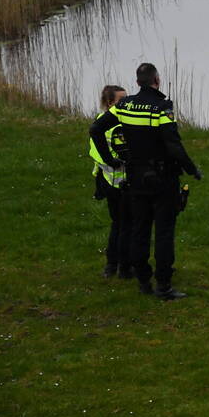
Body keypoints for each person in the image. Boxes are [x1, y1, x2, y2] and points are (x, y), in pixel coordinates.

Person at [89, 63, 202, 300]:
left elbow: (96, 129)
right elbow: (172, 143)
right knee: (163, 232)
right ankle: (163, 285)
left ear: (138, 82)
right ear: (157, 80)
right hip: (162, 178)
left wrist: (110, 159)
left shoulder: (124, 105)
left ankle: (142, 278)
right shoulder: (161, 107)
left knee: (139, 228)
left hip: (135, 177)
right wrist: (191, 168)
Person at [90, 84, 132, 279]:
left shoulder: (99, 122)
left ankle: (111, 265)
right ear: (110, 103)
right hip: (120, 181)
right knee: (125, 226)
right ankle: (123, 267)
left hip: (106, 180)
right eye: (121, 100)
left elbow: (95, 152)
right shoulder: (118, 126)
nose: (126, 102)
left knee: (117, 224)